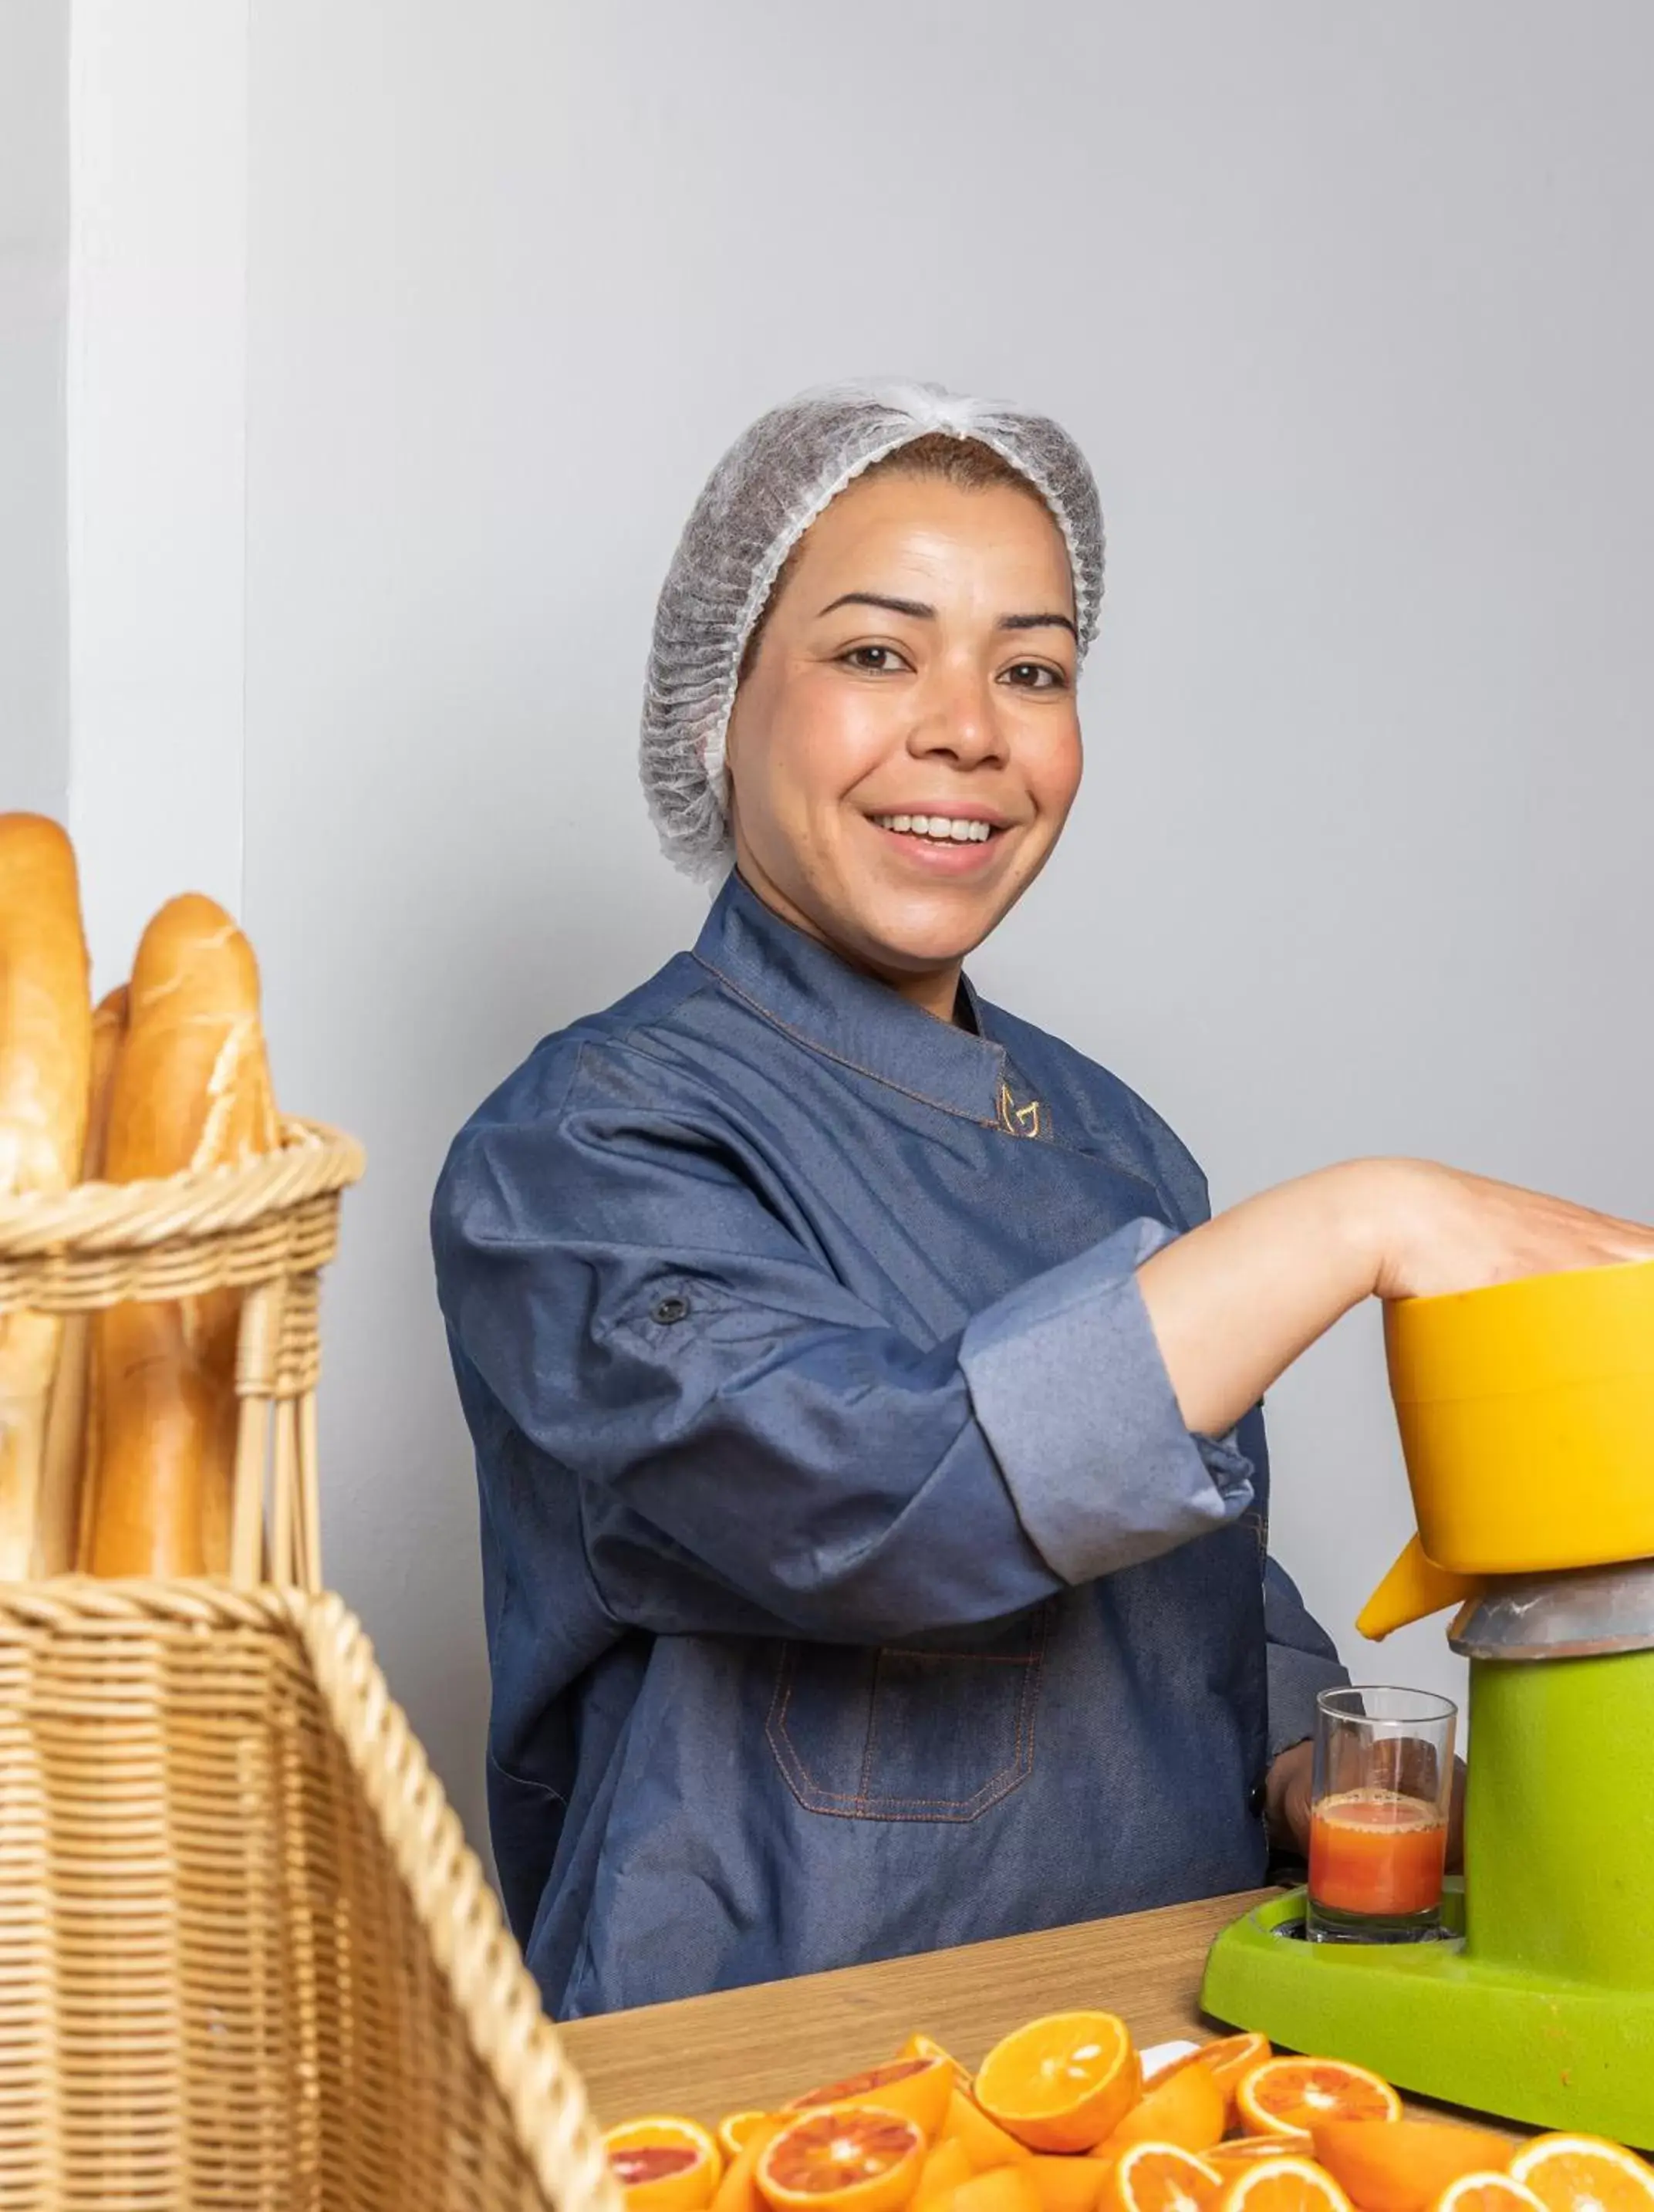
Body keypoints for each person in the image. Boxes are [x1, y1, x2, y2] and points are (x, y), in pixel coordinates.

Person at [432, 380, 1654, 2018]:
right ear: (717, 707)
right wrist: (1353, 1220)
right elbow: (875, 1498)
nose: (970, 728)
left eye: (1032, 668)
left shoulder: (1111, 1142)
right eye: (877, 652)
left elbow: (1192, 1582)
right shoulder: (579, 1149)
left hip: (1170, 2024)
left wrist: (1317, 1763)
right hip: (770, 2064)